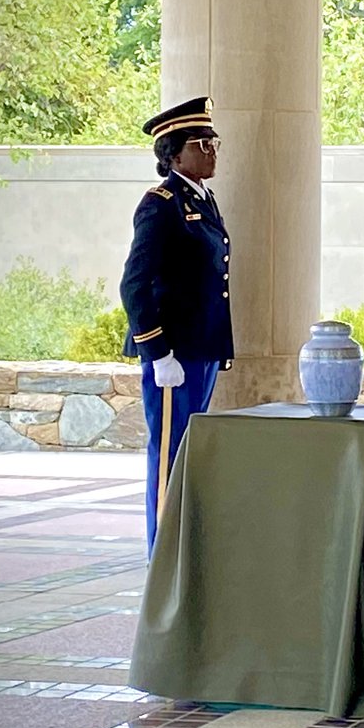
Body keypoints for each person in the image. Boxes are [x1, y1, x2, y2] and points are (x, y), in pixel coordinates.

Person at [120, 96, 234, 556]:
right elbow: (135, 283)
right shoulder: (162, 204)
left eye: (213, 141)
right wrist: (157, 351)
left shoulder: (201, 199)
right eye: (201, 142)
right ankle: (161, 556)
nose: (211, 149)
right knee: (168, 455)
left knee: (190, 455)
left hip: (200, 349)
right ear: (174, 153)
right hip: (175, 354)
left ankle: (183, 550)